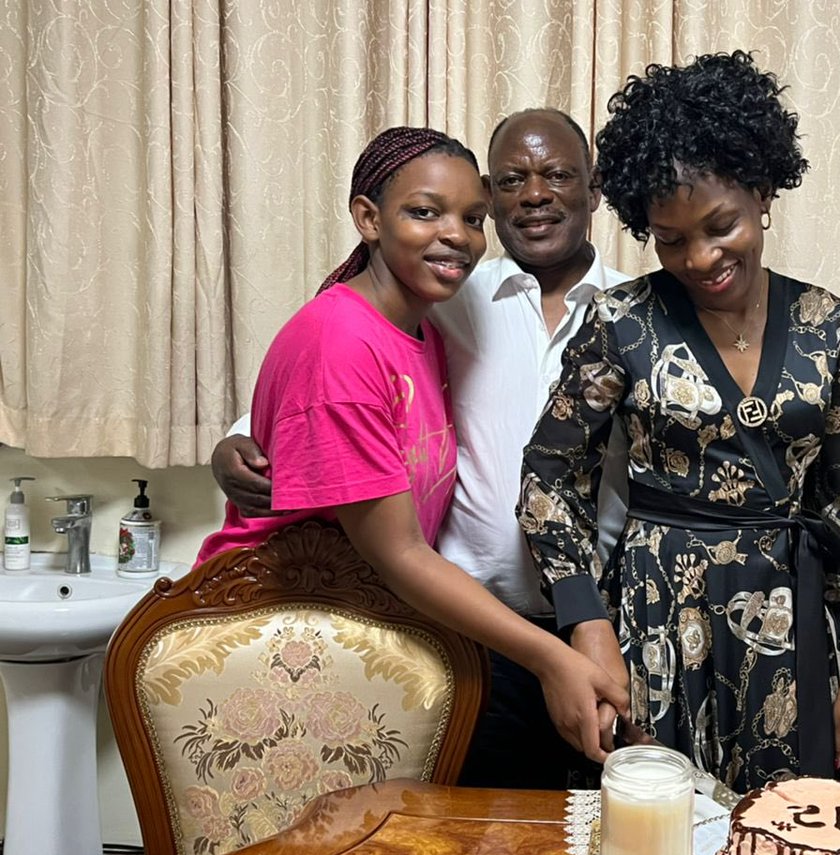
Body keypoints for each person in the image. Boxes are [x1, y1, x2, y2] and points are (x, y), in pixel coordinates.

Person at [209, 111, 634, 787]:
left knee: (591, 828)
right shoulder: (454, 298)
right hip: (440, 631)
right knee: (467, 831)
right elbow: (328, 381)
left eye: (558, 175)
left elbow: (373, 398)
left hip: (592, 625)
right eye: (511, 181)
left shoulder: (632, 313)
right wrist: (239, 439)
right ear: (370, 218)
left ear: (594, 189)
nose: (534, 194)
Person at [517, 52, 840, 795]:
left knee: (784, 830)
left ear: (763, 192)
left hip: (788, 622)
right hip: (658, 621)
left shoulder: (825, 322)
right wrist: (585, 622)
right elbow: (547, 481)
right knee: (658, 828)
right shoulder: (621, 321)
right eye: (670, 239)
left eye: (721, 226)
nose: (700, 258)